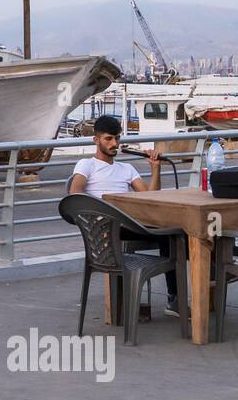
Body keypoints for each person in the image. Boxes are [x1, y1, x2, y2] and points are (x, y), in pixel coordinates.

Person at [69, 114, 178, 315]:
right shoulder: (87, 164)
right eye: (108, 139)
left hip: (131, 224)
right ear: (96, 140)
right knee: (171, 237)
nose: (114, 144)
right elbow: (75, 193)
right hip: (106, 226)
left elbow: (149, 198)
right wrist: (99, 214)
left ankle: (176, 299)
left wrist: (155, 170)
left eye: (117, 138)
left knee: (174, 234)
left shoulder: (126, 168)